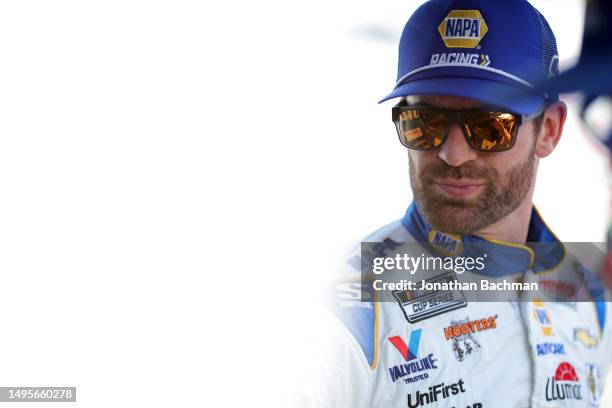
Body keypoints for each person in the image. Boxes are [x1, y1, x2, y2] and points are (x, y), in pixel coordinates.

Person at [296, 0, 612, 407]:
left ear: (548, 130)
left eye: (490, 127)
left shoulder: (587, 298)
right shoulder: (346, 310)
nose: (452, 154)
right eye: (423, 123)